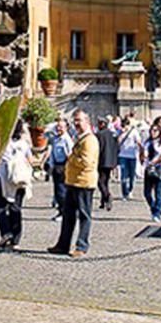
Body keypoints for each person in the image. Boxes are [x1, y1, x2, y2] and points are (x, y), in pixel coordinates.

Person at [51, 110, 98, 256]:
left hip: (84, 182)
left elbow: (87, 162)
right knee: (68, 216)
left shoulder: (89, 140)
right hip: (72, 181)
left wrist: (71, 159)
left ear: (87, 122)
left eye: (79, 120)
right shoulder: (80, 138)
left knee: (84, 216)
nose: (76, 124)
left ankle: (82, 246)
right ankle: (62, 245)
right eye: (75, 121)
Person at [0, 120, 35, 249]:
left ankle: (6, 232)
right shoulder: (24, 144)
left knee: (0, 207)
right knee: (16, 208)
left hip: (3, 178)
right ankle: (16, 240)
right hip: (20, 179)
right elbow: (31, 160)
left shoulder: (3, 143)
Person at [143, 120, 161, 221]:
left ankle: (157, 213)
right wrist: (142, 157)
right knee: (147, 193)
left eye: (155, 130)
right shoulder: (147, 142)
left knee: (158, 192)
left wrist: (156, 160)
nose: (152, 132)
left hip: (159, 168)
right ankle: (154, 208)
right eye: (151, 130)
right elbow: (143, 155)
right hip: (148, 169)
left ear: (159, 132)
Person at [96, 115, 120, 210]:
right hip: (111, 161)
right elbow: (117, 148)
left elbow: (98, 149)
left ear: (103, 124)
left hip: (102, 161)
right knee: (105, 181)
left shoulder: (99, 135)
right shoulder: (113, 134)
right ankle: (103, 201)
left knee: (100, 182)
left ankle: (107, 196)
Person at [48, 119, 72, 214]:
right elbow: (52, 154)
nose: (58, 129)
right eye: (57, 127)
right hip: (56, 166)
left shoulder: (67, 139)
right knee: (57, 190)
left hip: (64, 165)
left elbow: (70, 154)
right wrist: (51, 165)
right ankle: (61, 209)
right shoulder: (55, 139)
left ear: (66, 128)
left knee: (62, 190)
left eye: (61, 127)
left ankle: (63, 211)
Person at [117, 117, 141, 199]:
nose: (124, 127)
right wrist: (121, 134)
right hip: (122, 155)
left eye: (125, 125)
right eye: (122, 125)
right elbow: (118, 142)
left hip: (132, 156)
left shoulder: (134, 132)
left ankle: (130, 190)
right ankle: (124, 193)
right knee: (123, 176)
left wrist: (141, 151)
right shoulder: (120, 132)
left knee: (132, 176)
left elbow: (138, 142)